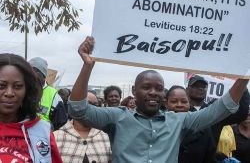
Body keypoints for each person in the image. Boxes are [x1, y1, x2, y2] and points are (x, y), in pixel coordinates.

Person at [68, 36, 249, 163]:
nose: (153, 92)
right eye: (146, 87)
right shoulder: (118, 117)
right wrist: (87, 66)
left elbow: (222, 108)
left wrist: (244, 74)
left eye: (159, 89)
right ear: (134, 91)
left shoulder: (179, 121)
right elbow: (78, 109)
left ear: (164, 94)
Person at [0, 53, 62, 162]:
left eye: (18, 86)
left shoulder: (42, 131)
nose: (9, 93)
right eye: (1, 86)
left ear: (27, 91)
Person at [184, 74, 250, 163]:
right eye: (196, 86)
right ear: (187, 90)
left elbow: (241, 114)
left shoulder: (215, 113)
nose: (200, 89)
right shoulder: (180, 112)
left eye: (203, 87)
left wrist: (243, 89)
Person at [54, 91, 112, 163]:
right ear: (74, 106)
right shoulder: (56, 137)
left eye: (96, 105)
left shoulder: (105, 136)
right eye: (87, 104)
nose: (92, 109)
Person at [29, 57, 67, 130]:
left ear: (43, 75)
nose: (31, 74)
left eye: (35, 71)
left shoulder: (54, 97)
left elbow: (61, 125)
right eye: (29, 71)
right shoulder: (22, 90)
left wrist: (46, 129)